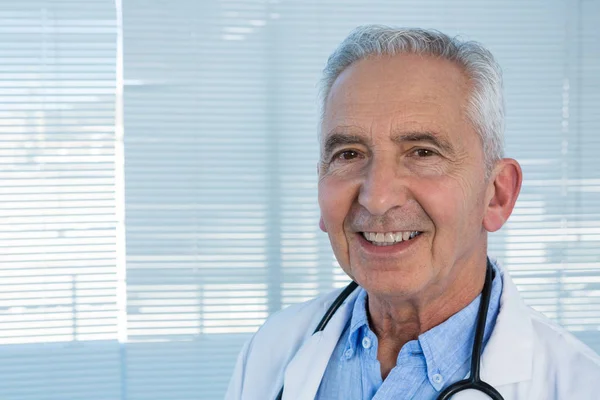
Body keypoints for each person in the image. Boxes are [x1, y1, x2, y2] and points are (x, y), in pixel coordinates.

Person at [225, 25, 600, 400]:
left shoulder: (578, 385)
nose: (377, 198)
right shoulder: (270, 353)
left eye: (423, 152)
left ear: (496, 195)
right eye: (349, 154)